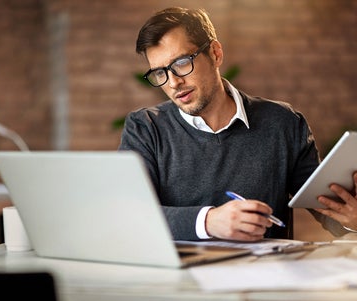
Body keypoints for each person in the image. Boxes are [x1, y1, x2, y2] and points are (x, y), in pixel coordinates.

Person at [118, 7, 357, 241]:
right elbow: (132, 215)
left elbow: (329, 211)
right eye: (160, 72)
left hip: (264, 276)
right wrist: (209, 221)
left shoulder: (284, 123)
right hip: (182, 279)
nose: (173, 83)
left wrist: (353, 219)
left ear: (215, 53)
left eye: (181, 63)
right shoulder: (145, 128)